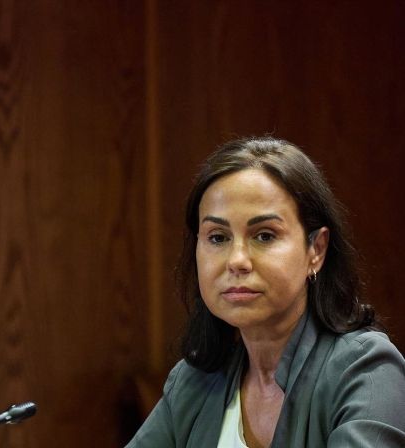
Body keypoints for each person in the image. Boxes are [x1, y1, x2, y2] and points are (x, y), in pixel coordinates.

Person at [126, 137, 405, 447]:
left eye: (264, 236)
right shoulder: (192, 383)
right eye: (218, 238)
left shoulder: (366, 370)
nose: (236, 261)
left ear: (316, 250)